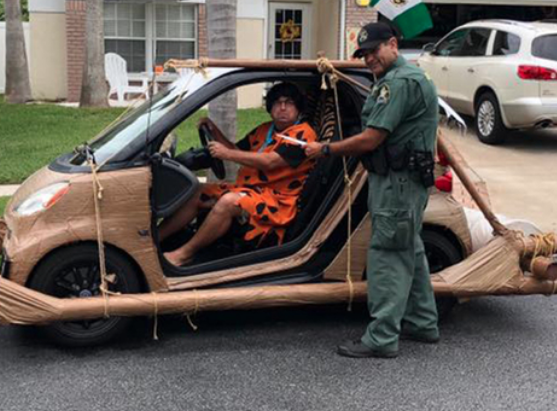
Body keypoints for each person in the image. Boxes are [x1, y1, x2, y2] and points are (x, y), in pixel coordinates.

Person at [305, 22, 440, 358]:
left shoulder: (398, 83)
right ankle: (422, 322)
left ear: (393, 44)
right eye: (363, 54)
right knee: (409, 247)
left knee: (387, 254)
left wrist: (325, 149)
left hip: (397, 182)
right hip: (403, 180)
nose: (368, 59)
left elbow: (371, 138)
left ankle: (381, 338)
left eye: (374, 51)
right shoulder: (409, 78)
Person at [160, 82, 318, 267]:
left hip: (278, 201)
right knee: (197, 191)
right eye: (277, 102)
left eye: (289, 102)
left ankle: (184, 254)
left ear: (298, 107)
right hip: (252, 190)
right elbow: (236, 149)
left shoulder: (302, 135)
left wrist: (226, 154)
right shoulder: (266, 129)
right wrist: (213, 130)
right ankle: (154, 241)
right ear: (270, 107)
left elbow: (270, 162)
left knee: (229, 201)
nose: (282, 108)